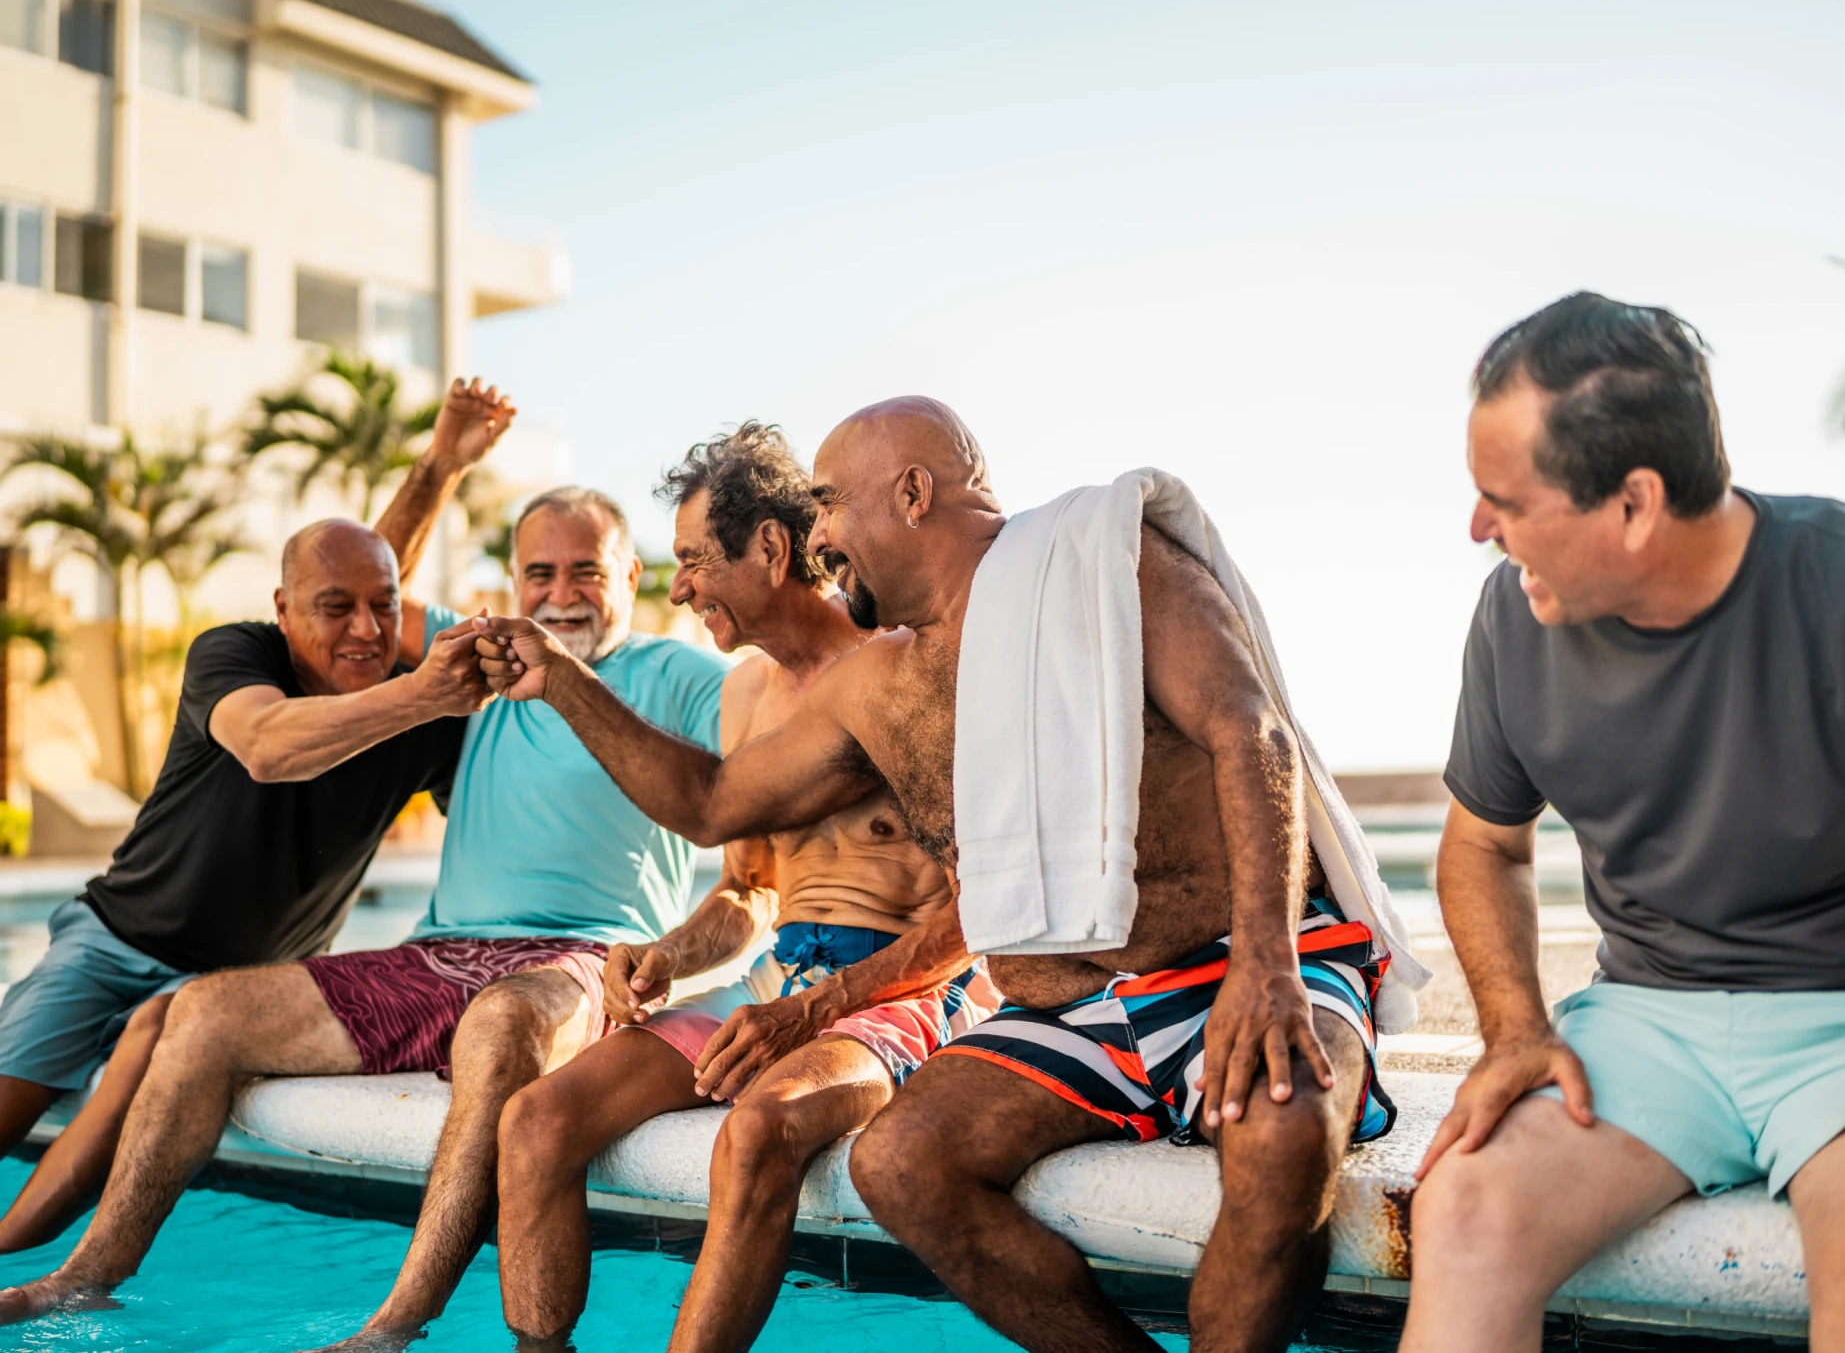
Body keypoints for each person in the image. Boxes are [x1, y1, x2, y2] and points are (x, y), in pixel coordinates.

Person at [474, 397, 1396, 1353]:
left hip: (1235, 960)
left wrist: (1267, 964)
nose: (817, 531)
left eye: (828, 503)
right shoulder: (878, 685)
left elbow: (1248, 732)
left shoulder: (1106, 565)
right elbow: (711, 802)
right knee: (902, 1165)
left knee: (1286, 1140)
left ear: (912, 492)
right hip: (1076, 1008)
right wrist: (563, 679)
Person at [0, 466, 727, 1342]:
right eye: (540, 574)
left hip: (584, 953)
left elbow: (746, 833)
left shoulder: (684, 675)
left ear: (632, 578)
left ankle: (393, 1323)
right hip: (440, 947)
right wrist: (441, 464)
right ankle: (84, 1276)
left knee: (499, 1027)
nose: (560, 594)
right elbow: (356, 592)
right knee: (203, 1012)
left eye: (587, 572)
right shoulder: (483, 653)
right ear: (513, 582)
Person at [1403, 292, 1845, 1353]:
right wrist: (1515, 1029)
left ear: (1636, 505)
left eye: (1503, 497)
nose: (1479, 529)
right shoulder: (1516, 612)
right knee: (1462, 1208)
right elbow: (1484, 846)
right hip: (1648, 1025)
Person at [495, 423, 996, 1352]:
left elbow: (990, 911)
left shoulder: (908, 670)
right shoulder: (743, 692)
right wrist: (670, 955)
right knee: (536, 1120)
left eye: (692, 559)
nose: (677, 585)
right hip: (780, 979)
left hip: (909, 989)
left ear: (769, 549)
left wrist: (816, 1015)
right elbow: (750, 891)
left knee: (758, 1129)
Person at [0, 376, 513, 1256]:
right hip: (114, 936)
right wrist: (422, 688)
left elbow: (363, 591)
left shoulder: (420, 714)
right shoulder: (236, 654)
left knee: (159, 1048)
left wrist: (438, 471)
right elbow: (271, 744)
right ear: (283, 612)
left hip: (232, 989)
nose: (364, 628)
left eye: (384, 610)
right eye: (332, 610)